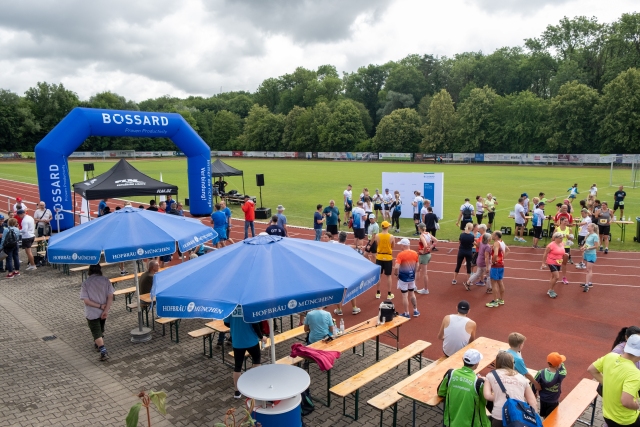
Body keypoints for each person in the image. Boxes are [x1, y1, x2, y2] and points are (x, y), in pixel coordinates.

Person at [587, 334, 640, 427]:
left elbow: (591, 369)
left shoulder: (610, 357)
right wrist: (637, 406)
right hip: (626, 421)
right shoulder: (635, 373)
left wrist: (608, 384)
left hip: (607, 415)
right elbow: (626, 401)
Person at [437, 349, 491, 427]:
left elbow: (441, 392)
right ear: (476, 364)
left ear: (463, 360)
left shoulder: (451, 373)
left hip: (451, 422)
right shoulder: (478, 382)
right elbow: (485, 402)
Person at [484, 351, 539, 427]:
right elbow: (533, 402)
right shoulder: (521, 378)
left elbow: (487, 396)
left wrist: (500, 396)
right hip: (518, 416)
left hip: (499, 415)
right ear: (512, 363)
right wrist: (534, 418)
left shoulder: (491, 375)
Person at [224, 306, 267, 399]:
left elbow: (226, 323)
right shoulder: (249, 306)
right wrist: (261, 337)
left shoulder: (231, 307)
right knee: (256, 362)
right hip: (251, 341)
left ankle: (237, 392)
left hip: (237, 341)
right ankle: (255, 385)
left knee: (238, 366)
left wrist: (236, 326)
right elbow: (255, 325)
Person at [79, 264, 114, 361]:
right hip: (103, 311)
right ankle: (97, 343)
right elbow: (110, 296)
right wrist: (106, 310)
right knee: (100, 328)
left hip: (92, 312)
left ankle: (103, 351)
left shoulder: (86, 283)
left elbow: (86, 301)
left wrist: (99, 306)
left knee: (96, 332)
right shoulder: (106, 280)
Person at [333, 231, 362, 316]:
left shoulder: (333, 245)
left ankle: (339, 309)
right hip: (347, 271)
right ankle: (354, 308)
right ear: (345, 239)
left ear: (338, 238)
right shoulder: (348, 248)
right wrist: (357, 246)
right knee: (351, 288)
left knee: (338, 290)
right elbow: (350, 247)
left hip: (336, 271)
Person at [534, 352, 567, 418]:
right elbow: (564, 371)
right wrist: (560, 364)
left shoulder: (541, 372)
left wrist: (534, 393)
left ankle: (544, 420)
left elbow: (534, 382)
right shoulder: (560, 375)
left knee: (544, 414)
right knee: (551, 417)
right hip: (553, 400)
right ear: (558, 365)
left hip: (543, 399)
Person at [394, 238, 420, 318]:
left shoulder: (400, 254)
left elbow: (396, 267)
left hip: (403, 278)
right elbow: (417, 265)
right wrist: (414, 273)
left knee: (405, 296)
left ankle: (406, 313)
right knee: (412, 294)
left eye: (401, 245)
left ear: (403, 245)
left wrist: (396, 274)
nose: (400, 246)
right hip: (411, 277)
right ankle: (415, 311)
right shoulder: (415, 253)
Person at [541, 232, 568, 299]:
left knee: (553, 276)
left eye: (562, 238)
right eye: (560, 238)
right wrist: (543, 263)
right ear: (555, 238)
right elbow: (545, 254)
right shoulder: (551, 245)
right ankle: (550, 290)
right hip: (551, 262)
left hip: (559, 262)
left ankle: (551, 289)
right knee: (557, 277)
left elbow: (562, 252)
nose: (561, 239)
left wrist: (565, 255)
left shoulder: (562, 244)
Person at [374, 221, 395, 300]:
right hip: (388, 257)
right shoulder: (391, 236)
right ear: (387, 227)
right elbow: (393, 246)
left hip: (379, 257)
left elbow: (377, 244)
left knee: (379, 275)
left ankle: (378, 293)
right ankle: (389, 294)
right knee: (388, 276)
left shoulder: (377, 235)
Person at [416, 223, 437, 294]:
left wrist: (424, 251)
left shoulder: (422, 236)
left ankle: (426, 289)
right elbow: (436, 240)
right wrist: (430, 247)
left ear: (420, 228)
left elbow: (425, 245)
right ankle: (414, 286)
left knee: (424, 274)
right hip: (428, 255)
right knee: (417, 270)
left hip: (424, 256)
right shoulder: (428, 234)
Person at [486, 231, 506, 308]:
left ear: (496, 236)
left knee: (494, 283)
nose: (492, 235)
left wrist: (494, 261)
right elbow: (508, 250)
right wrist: (502, 259)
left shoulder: (496, 243)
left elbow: (496, 254)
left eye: (493, 234)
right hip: (501, 265)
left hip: (496, 266)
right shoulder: (502, 242)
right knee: (500, 281)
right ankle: (501, 299)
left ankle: (495, 301)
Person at [578, 223, 600, 292]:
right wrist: (583, 247)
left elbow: (596, 246)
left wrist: (588, 248)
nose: (587, 227)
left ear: (592, 227)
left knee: (588, 270)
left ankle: (587, 285)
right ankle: (589, 283)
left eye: (588, 226)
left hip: (591, 254)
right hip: (586, 253)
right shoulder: (588, 234)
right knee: (588, 269)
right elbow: (586, 243)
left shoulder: (595, 236)